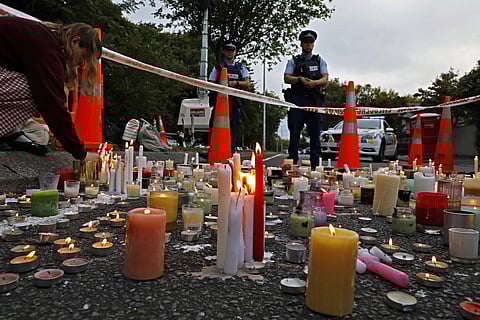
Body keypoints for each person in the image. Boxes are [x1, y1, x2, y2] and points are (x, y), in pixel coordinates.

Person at [0, 16, 101, 161]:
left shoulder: (47, 38)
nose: (81, 64)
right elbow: (52, 104)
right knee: (36, 90)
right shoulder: (47, 48)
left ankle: (9, 132)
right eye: (83, 58)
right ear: (75, 41)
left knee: (41, 87)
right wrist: (81, 154)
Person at [284, 30, 329, 169]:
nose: (308, 45)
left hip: (314, 100)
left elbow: (325, 78)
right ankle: (291, 164)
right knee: (295, 134)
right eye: (306, 42)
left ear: (313, 44)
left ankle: (315, 167)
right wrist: (299, 79)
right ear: (301, 43)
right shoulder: (294, 61)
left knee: (315, 134)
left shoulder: (320, 60)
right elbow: (286, 77)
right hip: (297, 101)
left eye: (311, 42)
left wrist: (315, 83)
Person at [208, 40, 250, 152]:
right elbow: (210, 84)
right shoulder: (217, 68)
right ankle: (212, 151)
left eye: (232, 50)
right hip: (220, 104)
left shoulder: (241, 67)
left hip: (235, 104)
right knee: (214, 127)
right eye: (227, 50)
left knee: (233, 130)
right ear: (223, 51)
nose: (230, 52)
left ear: (235, 52)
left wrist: (235, 83)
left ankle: (231, 154)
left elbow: (247, 83)